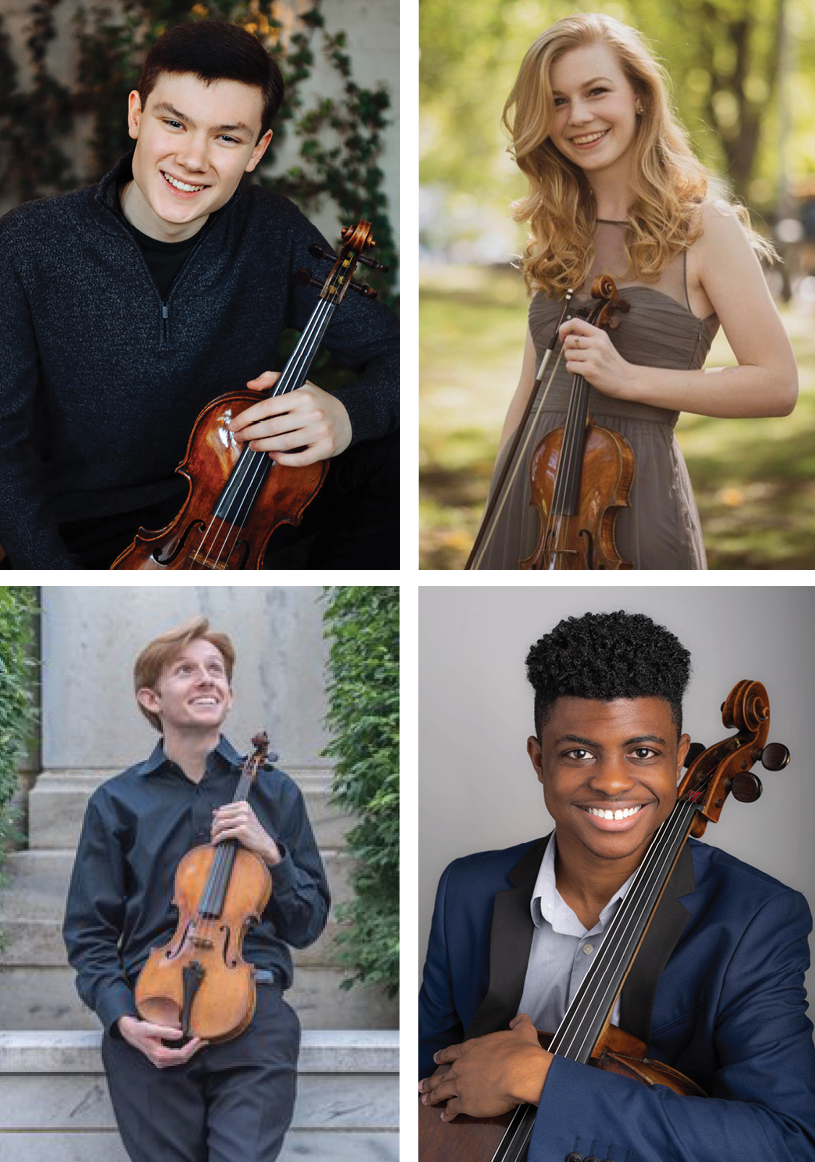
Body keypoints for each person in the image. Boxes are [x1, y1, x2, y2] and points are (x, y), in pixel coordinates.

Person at [0, 20, 399, 570]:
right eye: (175, 123)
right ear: (137, 115)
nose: (194, 158)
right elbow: (3, 445)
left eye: (227, 137)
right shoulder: (29, 243)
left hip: (247, 507)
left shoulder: (272, 228)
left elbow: (396, 352)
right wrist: (60, 579)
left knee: (388, 453)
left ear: (257, 150)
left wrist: (351, 412)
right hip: (94, 530)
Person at [419, 611, 815, 1160]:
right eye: (578, 752)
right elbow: (423, 1082)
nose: (610, 782)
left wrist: (544, 1080)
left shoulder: (755, 918)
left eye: (643, 752)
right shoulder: (465, 888)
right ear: (539, 761)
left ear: (680, 760)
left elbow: (785, 1141)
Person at [469, 15, 797, 570]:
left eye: (597, 91)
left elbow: (777, 385)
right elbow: (530, 389)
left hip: (630, 508)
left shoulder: (703, 229)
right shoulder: (556, 228)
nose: (579, 116)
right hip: (531, 501)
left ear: (641, 96)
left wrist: (629, 379)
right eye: (557, 101)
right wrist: (498, 510)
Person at [63, 616, 329, 1162]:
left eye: (216, 671)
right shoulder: (115, 803)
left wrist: (270, 853)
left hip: (254, 1015)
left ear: (229, 696)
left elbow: (307, 925)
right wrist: (122, 1020)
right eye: (185, 670)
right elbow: (90, 934)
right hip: (151, 1014)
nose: (206, 679)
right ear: (151, 698)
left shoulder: (274, 794)